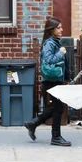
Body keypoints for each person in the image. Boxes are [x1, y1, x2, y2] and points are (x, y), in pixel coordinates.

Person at [24, 17, 72, 147]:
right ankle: (55, 137)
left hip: (55, 79)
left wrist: (67, 76)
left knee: (55, 107)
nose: (61, 29)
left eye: (61, 27)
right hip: (51, 80)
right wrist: (61, 53)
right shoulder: (50, 44)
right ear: (51, 30)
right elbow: (49, 60)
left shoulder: (55, 42)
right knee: (59, 107)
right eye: (58, 28)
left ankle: (33, 123)